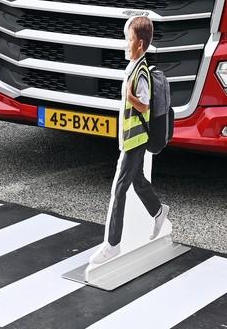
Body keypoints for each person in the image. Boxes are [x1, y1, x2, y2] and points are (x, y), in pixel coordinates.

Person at [89, 15, 169, 265]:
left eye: (130, 39)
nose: (126, 43)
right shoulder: (134, 67)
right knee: (138, 182)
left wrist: (128, 95)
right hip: (131, 137)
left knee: (119, 188)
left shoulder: (141, 72)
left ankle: (112, 245)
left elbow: (144, 105)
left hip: (136, 139)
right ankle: (158, 211)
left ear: (141, 44)